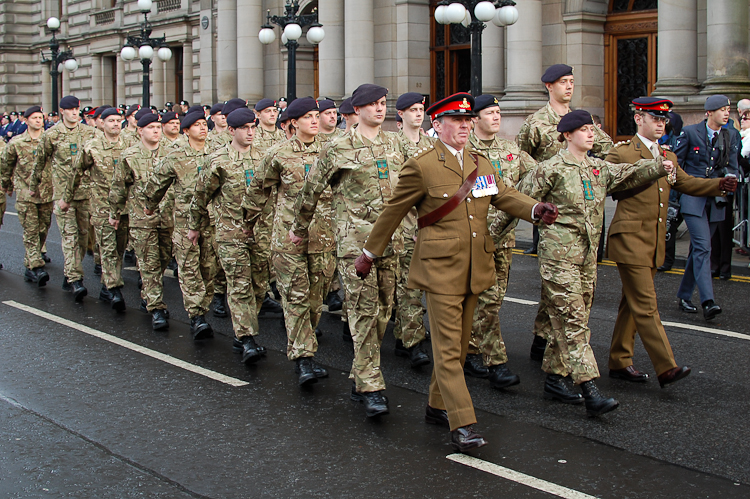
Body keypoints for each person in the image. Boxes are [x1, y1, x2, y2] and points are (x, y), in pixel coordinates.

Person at [358, 92, 556, 451]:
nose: (465, 126)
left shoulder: (480, 163)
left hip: (474, 267)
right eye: (457, 121)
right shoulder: (422, 166)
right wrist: (369, 254)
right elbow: (392, 213)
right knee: (449, 351)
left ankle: (437, 406)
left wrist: (535, 209)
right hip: (439, 270)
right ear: (438, 124)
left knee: (460, 348)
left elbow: (505, 195)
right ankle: (463, 422)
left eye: (468, 121)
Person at [507, 110, 675, 417]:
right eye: (584, 130)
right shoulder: (551, 168)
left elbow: (628, 173)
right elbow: (516, 201)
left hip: (586, 257)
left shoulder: (597, 168)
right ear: (568, 135)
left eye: (592, 129)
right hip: (558, 257)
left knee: (576, 314)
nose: (591, 134)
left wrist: (657, 167)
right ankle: (589, 387)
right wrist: (491, 235)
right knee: (573, 321)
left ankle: (556, 378)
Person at [290, 83, 404, 418]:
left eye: (383, 103)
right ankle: (371, 385)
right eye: (372, 104)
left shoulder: (395, 144)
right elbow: (311, 190)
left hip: (391, 242)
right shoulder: (338, 146)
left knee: (384, 311)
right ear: (357, 110)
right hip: (355, 245)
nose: (380, 109)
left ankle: (360, 372)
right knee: (362, 312)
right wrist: (299, 229)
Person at [606, 97, 736, 388]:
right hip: (629, 238)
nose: (661, 124)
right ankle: (666, 367)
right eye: (655, 118)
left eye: (664, 119)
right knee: (646, 304)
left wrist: (718, 185)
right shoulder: (623, 153)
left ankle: (619, 359)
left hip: (652, 241)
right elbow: (610, 184)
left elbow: (686, 182)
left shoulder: (667, 154)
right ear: (639, 119)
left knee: (632, 303)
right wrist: (650, 170)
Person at [516, 64, 613, 362]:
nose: (568, 87)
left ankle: (544, 334)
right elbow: (521, 160)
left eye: (571, 81)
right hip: (552, 211)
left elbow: (608, 150)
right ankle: (550, 341)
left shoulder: (583, 122)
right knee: (558, 277)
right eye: (562, 82)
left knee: (571, 281)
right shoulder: (535, 122)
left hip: (585, 204)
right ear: (549, 86)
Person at [244, 97, 335, 383]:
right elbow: (257, 191)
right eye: (307, 116)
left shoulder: (332, 151)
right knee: (295, 298)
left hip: (324, 238)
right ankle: (304, 359)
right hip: (289, 240)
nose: (314, 120)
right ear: (293, 122)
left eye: (316, 116)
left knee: (314, 300)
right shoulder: (278, 154)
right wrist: (247, 224)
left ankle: (305, 350)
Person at [466, 94, 536, 387]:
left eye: (498, 112)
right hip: (473, 240)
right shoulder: (464, 151)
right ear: (475, 119)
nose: (496, 117)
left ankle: (471, 349)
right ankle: (490, 359)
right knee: (482, 299)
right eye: (490, 113)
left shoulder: (511, 151)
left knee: (492, 300)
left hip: (504, 240)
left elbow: (539, 174)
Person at [189, 107, 268, 363]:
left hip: (261, 234)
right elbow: (201, 197)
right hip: (230, 234)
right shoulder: (218, 161)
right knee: (239, 285)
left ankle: (242, 330)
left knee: (259, 285)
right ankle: (246, 338)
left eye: (253, 127)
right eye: (244, 128)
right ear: (231, 130)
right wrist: (194, 226)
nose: (250, 132)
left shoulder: (265, 157)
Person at [143, 111, 217, 339]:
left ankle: (202, 306)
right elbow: (157, 183)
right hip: (186, 223)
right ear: (186, 131)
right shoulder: (176, 156)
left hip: (213, 221)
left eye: (204, 124)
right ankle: (197, 316)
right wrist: (149, 205)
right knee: (189, 268)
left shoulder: (217, 153)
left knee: (209, 268)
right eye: (196, 125)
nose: (202, 128)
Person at [674, 95, 739, 320]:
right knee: (703, 247)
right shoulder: (691, 133)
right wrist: (674, 201)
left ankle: (683, 294)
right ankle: (708, 302)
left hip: (717, 199)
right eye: (721, 109)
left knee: (698, 250)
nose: (726, 113)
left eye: (728, 109)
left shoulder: (731, 135)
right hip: (692, 198)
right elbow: (676, 166)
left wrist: (732, 178)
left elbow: (733, 166)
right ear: (709, 112)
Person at [110, 113, 174, 330]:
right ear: (140, 130)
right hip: (141, 218)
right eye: (151, 127)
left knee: (164, 258)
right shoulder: (130, 155)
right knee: (149, 263)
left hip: (167, 217)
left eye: (158, 127)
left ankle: (148, 295)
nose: (156, 131)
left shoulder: (171, 151)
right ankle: (156, 307)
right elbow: (119, 187)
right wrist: (115, 213)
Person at [31, 95, 98, 301]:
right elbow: (40, 161)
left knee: (82, 236)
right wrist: (34, 185)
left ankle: (70, 274)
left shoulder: (90, 133)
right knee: (69, 237)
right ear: (62, 111)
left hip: (85, 193)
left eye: (77, 109)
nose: (75, 112)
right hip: (62, 195)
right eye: (70, 110)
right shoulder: (52, 135)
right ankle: (76, 279)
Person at [62, 107, 130, 310]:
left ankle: (106, 285)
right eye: (111, 121)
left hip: (125, 207)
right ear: (102, 123)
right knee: (108, 248)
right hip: (101, 206)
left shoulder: (130, 145)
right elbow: (76, 172)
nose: (116, 124)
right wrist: (67, 198)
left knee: (119, 248)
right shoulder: (92, 147)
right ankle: (114, 288)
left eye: (118, 120)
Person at [392, 91, 433, 368]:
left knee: (425, 284)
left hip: (429, 225)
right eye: (413, 110)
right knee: (408, 286)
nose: (419, 114)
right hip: (405, 226)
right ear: (401, 116)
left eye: (421, 109)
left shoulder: (432, 144)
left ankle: (404, 333)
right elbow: (396, 192)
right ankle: (413, 341)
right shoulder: (392, 146)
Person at [1, 106, 53, 286]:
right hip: (25, 194)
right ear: (26, 120)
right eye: (34, 118)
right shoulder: (17, 142)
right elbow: (6, 166)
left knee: (43, 229)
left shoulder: (50, 141)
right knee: (30, 230)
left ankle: (31, 263)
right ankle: (36, 268)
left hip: (46, 193)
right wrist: (7, 185)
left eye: (41, 117)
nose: (39, 121)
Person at [657, 111, 685, 272]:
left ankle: (667, 260)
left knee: (668, 228)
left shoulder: (676, 141)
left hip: (671, 191)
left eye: (664, 120)